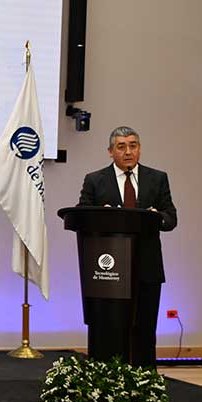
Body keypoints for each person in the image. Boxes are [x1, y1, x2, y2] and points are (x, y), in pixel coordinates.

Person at [77, 126, 177, 368]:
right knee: (109, 331)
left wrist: (156, 217)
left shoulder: (157, 178)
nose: (128, 151)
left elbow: (171, 218)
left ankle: (145, 381)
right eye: (121, 147)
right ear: (111, 152)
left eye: (133, 145)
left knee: (144, 329)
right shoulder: (95, 180)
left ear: (140, 149)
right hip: (108, 273)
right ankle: (106, 377)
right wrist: (102, 216)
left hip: (147, 269)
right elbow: (81, 215)